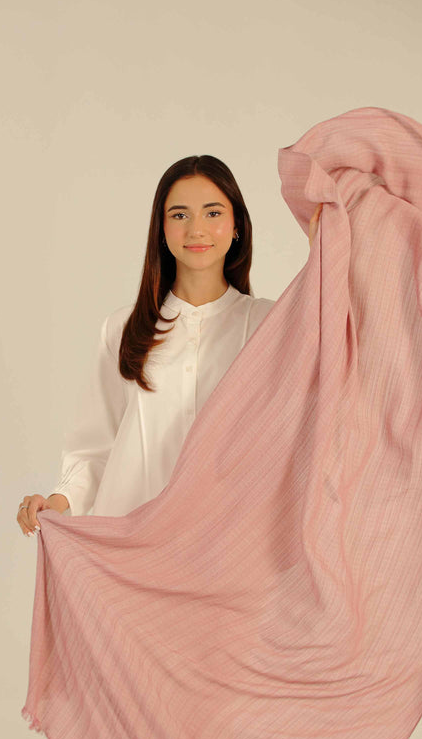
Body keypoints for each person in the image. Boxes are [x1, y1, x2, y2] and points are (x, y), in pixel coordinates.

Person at [16, 157, 322, 536]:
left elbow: (323, 398)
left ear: (236, 226)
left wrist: (325, 254)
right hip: (131, 539)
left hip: (226, 541)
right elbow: (94, 447)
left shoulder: (270, 325)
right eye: (179, 215)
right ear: (161, 229)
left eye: (213, 213)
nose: (196, 229)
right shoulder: (123, 329)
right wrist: (58, 501)